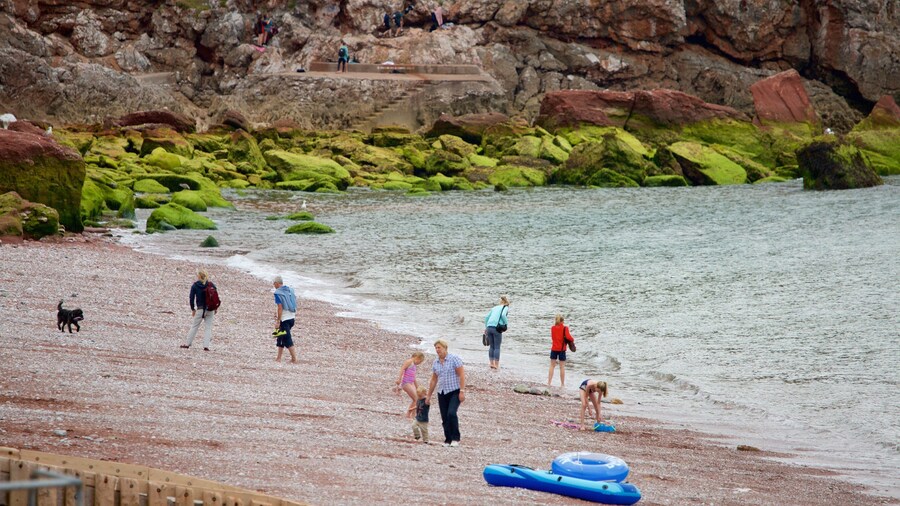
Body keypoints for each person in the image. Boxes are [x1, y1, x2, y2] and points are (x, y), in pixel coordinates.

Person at [426, 339, 465, 447]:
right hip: (442, 392)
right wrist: (428, 396)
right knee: (444, 417)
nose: (437, 350)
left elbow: (461, 375)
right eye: (436, 348)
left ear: (445, 348)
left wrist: (462, 391)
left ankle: (456, 438)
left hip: (454, 391)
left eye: (439, 347)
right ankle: (448, 439)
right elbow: (434, 380)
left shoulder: (454, 359)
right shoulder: (436, 362)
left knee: (451, 413)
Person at [180, 270, 216, 351]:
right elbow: (215, 298)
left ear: (199, 276)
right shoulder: (211, 285)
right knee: (208, 328)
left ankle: (187, 344)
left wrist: (193, 309)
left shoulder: (195, 285)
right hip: (210, 309)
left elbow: (191, 298)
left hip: (200, 309)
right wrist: (215, 308)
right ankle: (206, 346)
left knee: (195, 326)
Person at [272, 276, 298, 363]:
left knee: (287, 338)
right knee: (280, 336)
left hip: (285, 319)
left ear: (277, 283)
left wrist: (278, 321)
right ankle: (278, 358)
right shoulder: (290, 290)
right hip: (292, 317)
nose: (273, 285)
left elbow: (280, 307)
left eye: (274, 283)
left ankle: (294, 358)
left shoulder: (278, 293)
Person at [396, 351, 425, 418]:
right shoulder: (409, 361)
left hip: (411, 383)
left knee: (417, 399)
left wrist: (417, 387)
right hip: (406, 383)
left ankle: (413, 415)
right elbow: (402, 369)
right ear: (417, 358)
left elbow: (414, 377)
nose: (419, 363)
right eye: (419, 361)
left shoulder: (414, 366)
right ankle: (409, 414)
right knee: (416, 399)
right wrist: (399, 379)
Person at [483, 295, 509, 370]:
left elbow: (486, 317)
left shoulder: (494, 308)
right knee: (497, 347)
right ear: (507, 303)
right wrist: (506, 324)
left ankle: (491, 363)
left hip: (489, 327)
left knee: (491, 346)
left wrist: (486, 327)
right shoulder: (505, 307)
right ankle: (496, 365)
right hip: (496, 328)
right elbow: (503, 315)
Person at [548, 314, 573, 387]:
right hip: (562, 349)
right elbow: (569, 338)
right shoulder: (565, 328)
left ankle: (549, 383)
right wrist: (572, 340)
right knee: (562, 367)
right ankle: (562, 384)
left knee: (552, 366)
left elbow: (553, 338)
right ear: (562, 321)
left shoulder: (552, 328)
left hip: (554, 348)